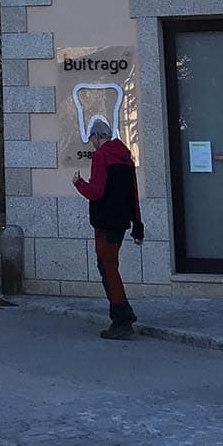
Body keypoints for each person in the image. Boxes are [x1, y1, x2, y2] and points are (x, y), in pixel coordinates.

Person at [72, 118, 143, 340]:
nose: (92, 144)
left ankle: (122, 318)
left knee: (108, 270)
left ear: (97, 136)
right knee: (110, 268)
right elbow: (134, 193)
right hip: (121, 223)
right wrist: (137, 226)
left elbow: (97, 192)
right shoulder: (126, 158)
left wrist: (78, 183)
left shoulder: (101, 156)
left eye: (92, 139)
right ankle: (122, 315)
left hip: (104, 223)